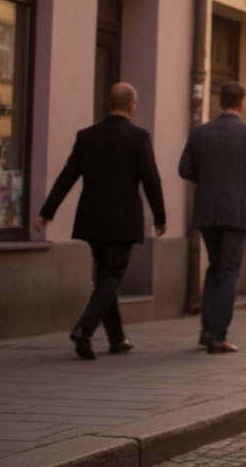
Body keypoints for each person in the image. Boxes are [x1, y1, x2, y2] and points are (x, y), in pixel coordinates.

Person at [36, 83, 165, 360]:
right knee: (112, 277)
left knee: (106, 276)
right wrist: (160, 217)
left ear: (109, 103)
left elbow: (68, 175)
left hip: (92, 219)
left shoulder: (87, 136)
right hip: (123, 220)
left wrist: (47, 211)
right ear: (132, 105)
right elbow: (151, 179)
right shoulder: (139, 137)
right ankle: (84, 328)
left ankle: (117, 339)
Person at [179, 81, 246, 354]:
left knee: (215, 267)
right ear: (243, 102)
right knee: (229, 271)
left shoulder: (200, 133)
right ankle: (218, 336)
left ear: (220, 102)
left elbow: (185, 169)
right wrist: (242, 188)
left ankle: (207, 329)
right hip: (236, 211)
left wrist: (207, 183)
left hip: (207, 211)